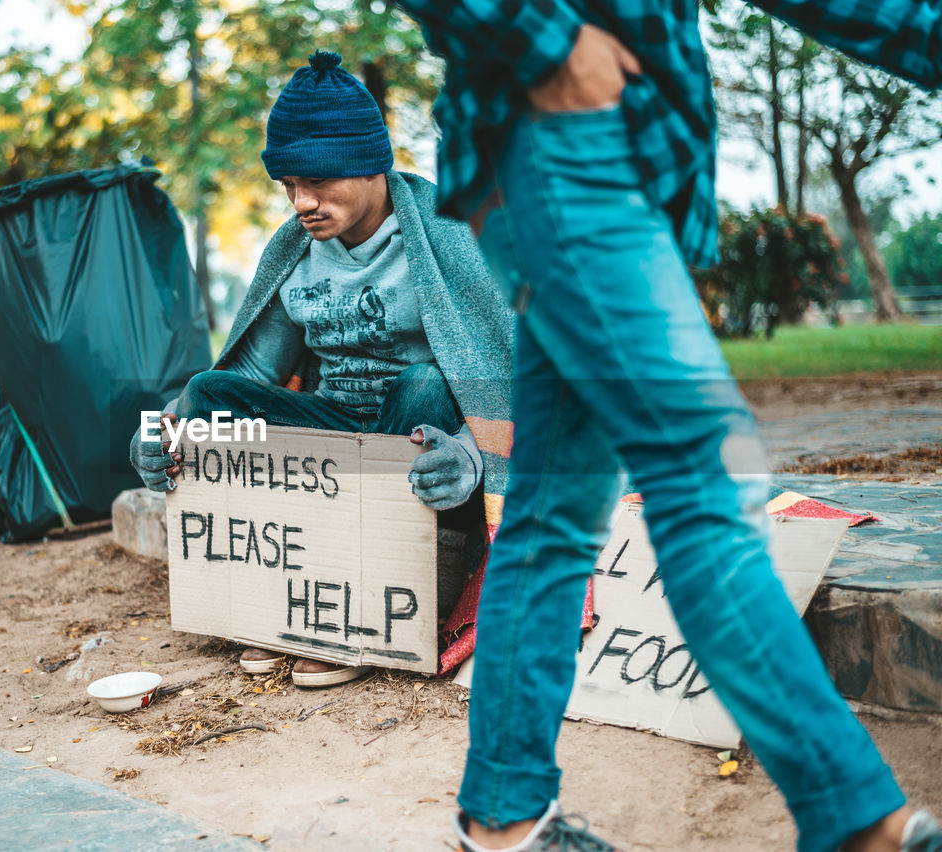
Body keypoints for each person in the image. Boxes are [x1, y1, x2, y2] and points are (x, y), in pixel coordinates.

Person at [390, 3, 942, 851]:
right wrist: (554, 47)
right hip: (561, 142)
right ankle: (855, 819)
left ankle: (502, 820)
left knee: (551, 514)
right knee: (702, 485)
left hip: (615, 160)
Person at [129, 50, 514, 689]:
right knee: (204, 390)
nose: (301, 201)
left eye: (318, 181)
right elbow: (249, 374)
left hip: (422, 440)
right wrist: (169, 429)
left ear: (370, 163)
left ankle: (374, 614)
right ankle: (282, 603)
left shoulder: (451, 232)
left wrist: (471, 456)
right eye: (287, 185)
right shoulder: (295, 252)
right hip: (336, 437)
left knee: (421, 382)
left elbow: (507, 368)